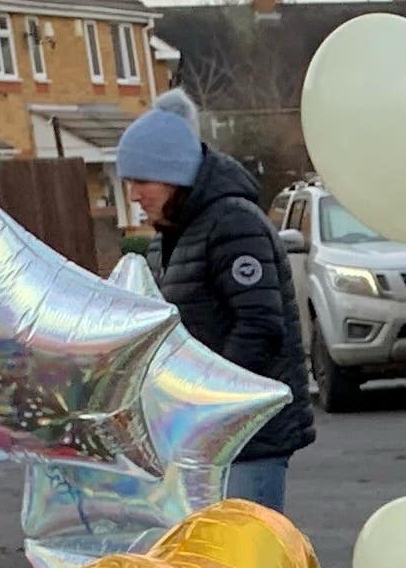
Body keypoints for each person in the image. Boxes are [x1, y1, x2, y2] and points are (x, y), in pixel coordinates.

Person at [117, 101, 316, 515]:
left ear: (174, 176)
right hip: (199, 436)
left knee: (245, 561)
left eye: (141, 180)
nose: (133, 194)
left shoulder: (233, 224)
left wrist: (205, 400)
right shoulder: (167, 240)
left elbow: (260, 326)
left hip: (249, 436)